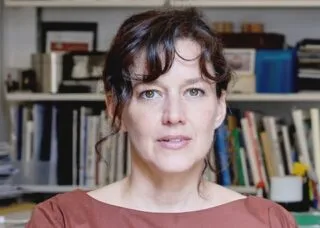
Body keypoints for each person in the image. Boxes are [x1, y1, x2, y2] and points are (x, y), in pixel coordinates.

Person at [26, 7, 298, 228]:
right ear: (115, 109)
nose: (174, 115)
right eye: (151, 94)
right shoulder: (60, 220)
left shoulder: (269, 222)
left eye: (193, 91)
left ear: (219, 107)